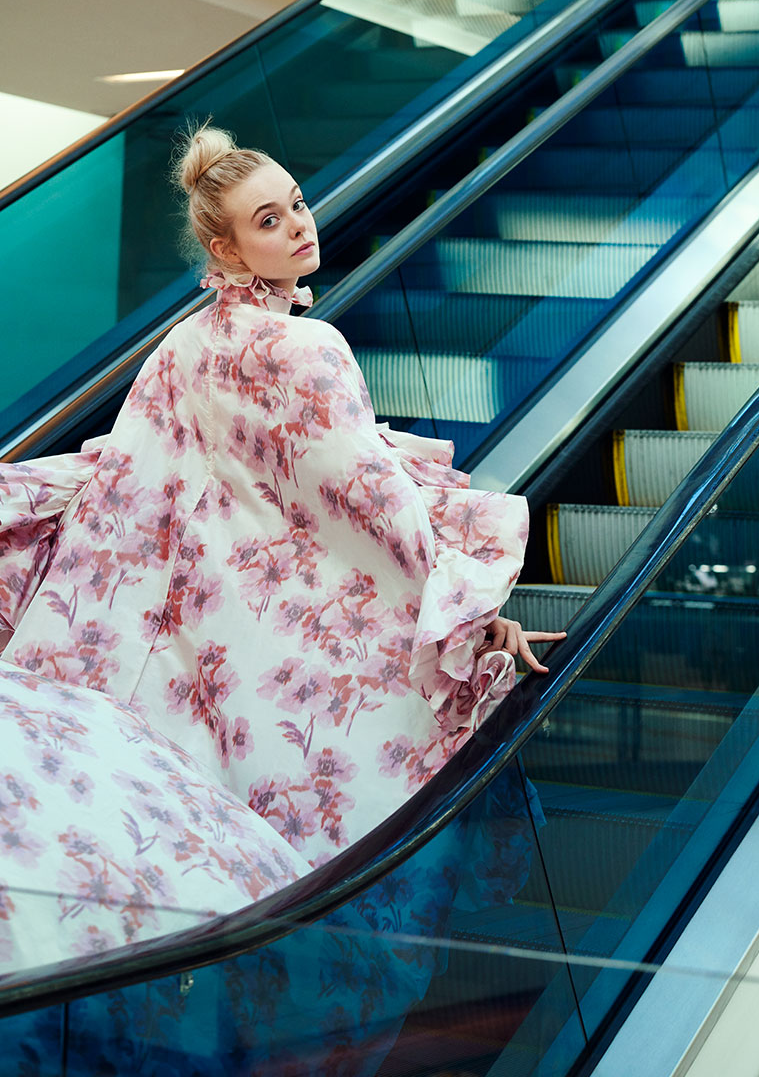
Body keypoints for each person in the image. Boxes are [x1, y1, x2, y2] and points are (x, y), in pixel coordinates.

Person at [0, 124, 565, 962]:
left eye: (297, 203)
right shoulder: (310, 346)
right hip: (280, 639)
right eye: (269, 220)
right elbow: (374, 507)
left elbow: (129, 479)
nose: (300, 224)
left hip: (198, 649)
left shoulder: (184, 347)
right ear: (222, 246)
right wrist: (468, 604)